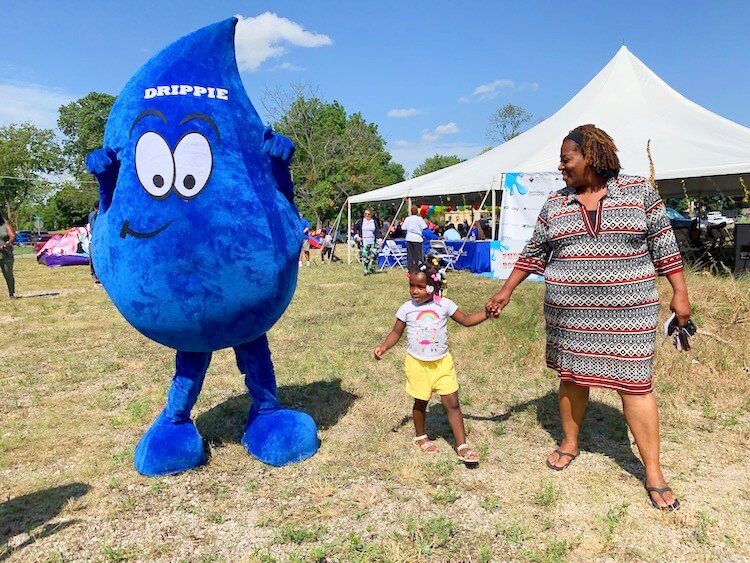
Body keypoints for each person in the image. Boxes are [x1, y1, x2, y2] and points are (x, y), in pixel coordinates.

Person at [485, 124, 690, 511]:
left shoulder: (639, 193)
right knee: (572, 378)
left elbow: (664, 246)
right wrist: (506, 289)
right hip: (571, 316)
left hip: (629, 313)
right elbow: (534, 251)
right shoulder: (556, 204)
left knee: (636, 385)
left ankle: (653, 472)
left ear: (591, 157)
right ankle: (569, 442)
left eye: (566, 159)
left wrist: (680, 292)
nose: (561, 167)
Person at [374, 259, 488, 464]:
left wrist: (487, 314)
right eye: (411, 286)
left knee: (452, 403)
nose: (414, 291)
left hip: (442, 363)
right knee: (421, 401)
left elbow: (467, 320)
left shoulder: (444, 304)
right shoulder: (406, 308)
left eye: (420, 286)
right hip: (417, 364)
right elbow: (396, 332)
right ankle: (420, 436)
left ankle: (461, 445)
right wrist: (384, 346)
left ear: (433, 286)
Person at [354, 208, 382, 275]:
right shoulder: (361, 221)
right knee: (366, 256)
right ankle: (365, 270)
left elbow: (377, 231)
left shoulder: (374, 222)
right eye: (365, 214)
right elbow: (355, 229)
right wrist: (357, 236)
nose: (367, 215)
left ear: (371, 214)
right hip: (364, 241)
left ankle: (373, 268)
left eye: (368, 214)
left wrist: (379, 239)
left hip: (372, 241)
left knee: (374, 255)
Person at [402, 206, 428, 270]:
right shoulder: (419, 219)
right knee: (418, 255)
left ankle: (410, 268)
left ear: (411, 212)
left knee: (410, 255)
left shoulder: (408, 219)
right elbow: (424, 227)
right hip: (417, 238)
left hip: (409, 237)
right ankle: (418, 267)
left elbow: (403, 228)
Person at [0, 213, 16, 298]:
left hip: (5, 254)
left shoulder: (6, 225)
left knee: (8, 274)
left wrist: (8, 243)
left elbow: (12, 236)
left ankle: (11, 293)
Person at [88, 200, 100, 283]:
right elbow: (93, 228)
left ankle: (94, 274)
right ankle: (95, 274)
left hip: (93, 239)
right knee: (94, 256)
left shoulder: (92, 215)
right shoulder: (94, 215)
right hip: (95, 238)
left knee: (93, 256)